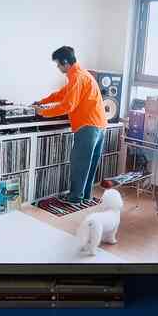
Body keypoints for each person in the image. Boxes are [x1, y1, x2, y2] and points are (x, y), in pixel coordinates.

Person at [34, 46, 107, 205]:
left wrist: (43, 112)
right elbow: (60, 94)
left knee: (79, 164)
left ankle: (74, 198)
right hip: (100, 126)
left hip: (88, 127)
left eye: (58, 65)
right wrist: (42, 102)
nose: (58, 68)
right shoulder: (82, 74)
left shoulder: (77, 77)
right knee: (90, 165)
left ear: (65, 62)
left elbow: (68, 105)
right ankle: (85, 196)